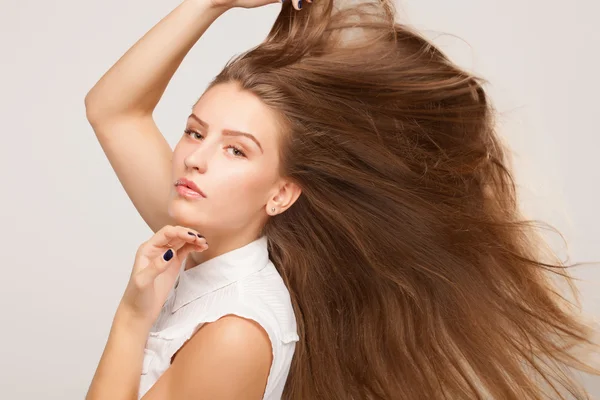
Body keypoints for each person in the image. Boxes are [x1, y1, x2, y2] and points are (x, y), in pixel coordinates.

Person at [83, 0, 600, 398]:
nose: (196, 159)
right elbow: (112, 110)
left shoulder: (235, 332)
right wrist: (213, 4)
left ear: (281, 193)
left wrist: (133, 316)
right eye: (195, 133)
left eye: (236, 150)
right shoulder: (202, 244)